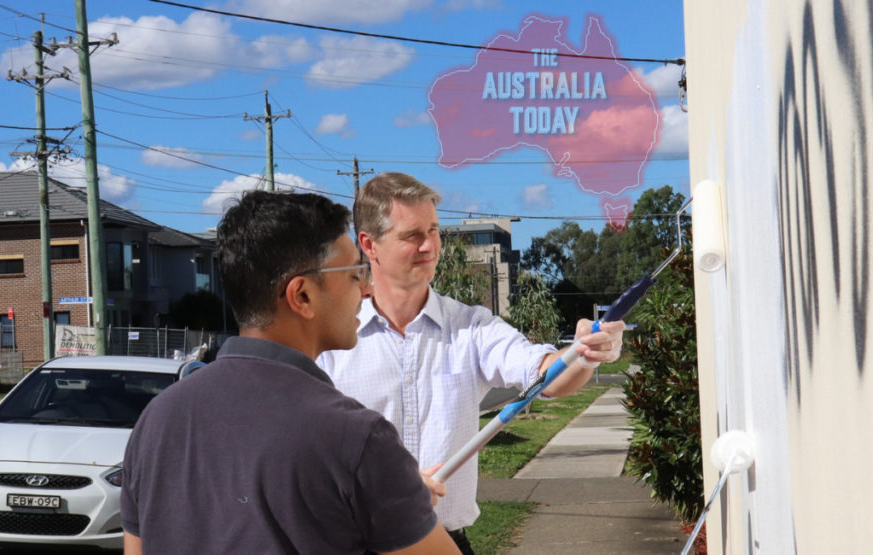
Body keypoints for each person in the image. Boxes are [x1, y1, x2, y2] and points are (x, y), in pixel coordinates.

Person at [121, 191, 458, 554]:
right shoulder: (357, 438)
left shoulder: (157, 420)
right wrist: (402, 502)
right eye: (353, 275)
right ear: (302, 296)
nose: (366, 289)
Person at [317, 173, 626, 553]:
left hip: (447, 542)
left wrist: (583, 353)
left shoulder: (472, 327)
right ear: (369, 244)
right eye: (412, 235)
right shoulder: (330, 341)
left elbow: (544, 375)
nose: (429, 245)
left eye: (434, 230)